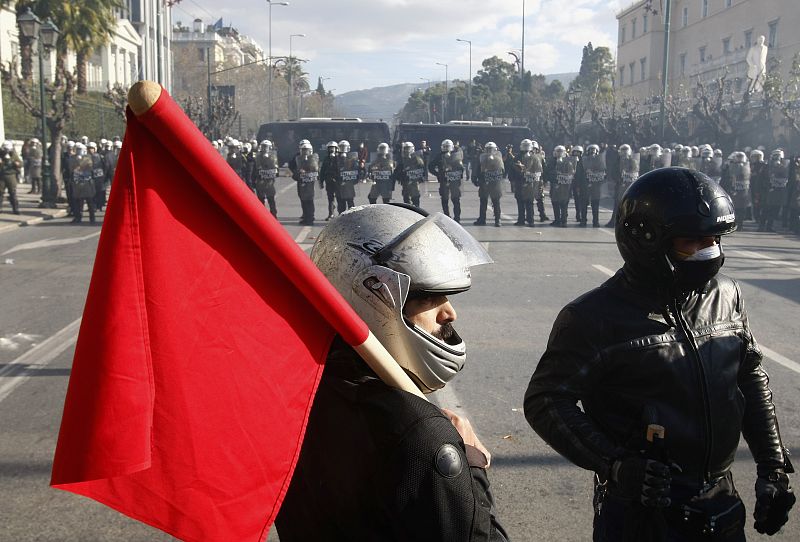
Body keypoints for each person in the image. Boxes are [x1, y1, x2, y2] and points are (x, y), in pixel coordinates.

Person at [525, 167, 795, 542]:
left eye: (713, 240)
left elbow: (748, 376)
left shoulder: (726, 295)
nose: (708, 253)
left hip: (720, 499)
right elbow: (546, 399)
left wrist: (772, 468)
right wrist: (616, 464)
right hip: (642, 510)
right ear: (646, 240)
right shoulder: (593, 316)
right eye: (692, 242)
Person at [275, 204, 509, 541]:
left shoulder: (304, 394)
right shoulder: (419, 433)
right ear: (373, 299)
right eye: (428, 297)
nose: (449, 312)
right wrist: (472, 466)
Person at [428, 139, 464, 222]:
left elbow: (461, 168)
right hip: (444, 181)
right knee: (445, 199)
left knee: (456, 199)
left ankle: (457, 218)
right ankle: (447, 217)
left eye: (447, 147)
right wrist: (438, 174)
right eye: (444, 147)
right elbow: (431, 166)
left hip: (454, 181)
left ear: (451, 147)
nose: (446, 148)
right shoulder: (439, 156)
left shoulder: (456, 155)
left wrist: (458, 175)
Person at [511, 139, 545, 226]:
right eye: (524, 146)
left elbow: (539, 170)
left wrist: (535, 177)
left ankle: (530, 220)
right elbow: (513, 169)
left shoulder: (535, 157)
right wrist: (514, 178)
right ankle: (521, 220)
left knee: (529, 202)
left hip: (530, 182)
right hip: (520, 182)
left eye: (527, 146)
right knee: (520, 201)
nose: (526, 148)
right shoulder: (517, 157)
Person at [475, 142, 505, 227]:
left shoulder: (497, 157)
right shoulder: (483, 157)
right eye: (488, 149)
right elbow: (478, 169)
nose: (489, 151)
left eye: (490, 149)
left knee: (493, 201)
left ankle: (495, 219)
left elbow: (502, 170)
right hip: (488, 182)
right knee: (486, 201)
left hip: (491, 182)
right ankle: (487, 219)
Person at [759, 149, 789, 232]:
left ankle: (769, 226)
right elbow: (762, 178)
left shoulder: (784, 166)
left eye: (778, 156)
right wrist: (765, 187)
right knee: (766, 209)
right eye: (775, 155)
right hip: (768, 191)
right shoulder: (766, 165)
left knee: (775, 209)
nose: (776, 158)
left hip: (779, 191)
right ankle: (761, 226)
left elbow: (786, 177)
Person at [545, 145, 575, 228]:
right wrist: (554, 176)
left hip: (565, 187)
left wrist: (563, 175)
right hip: (555, 185)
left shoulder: (568, 162)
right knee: (555, 203)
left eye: (561, 151)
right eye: (558, 151)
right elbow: (548, 172)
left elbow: (571, 173)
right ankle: (557, 220)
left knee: (564, 204)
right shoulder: (552, 162)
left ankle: (564, 220)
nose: (559, 153)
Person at [292, 140, 319, 225]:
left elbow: (315, 169)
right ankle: (305, 217)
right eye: (303, 150)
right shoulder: (298, 159)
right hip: (301, 183)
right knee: (303, 200)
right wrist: (298, 173)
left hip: (310, 183)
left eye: (306, 150)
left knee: (309, 201)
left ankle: (310, 218)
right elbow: (294, 170)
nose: (305, 152)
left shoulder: (313, 158)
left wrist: (308, 169)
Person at [70, 143, 96, 224]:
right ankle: (78, 217)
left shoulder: (88, 158)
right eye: (77, 149)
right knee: (78, 202)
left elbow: (90, 167)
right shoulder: (73, 158)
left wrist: (80, 164)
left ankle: (92, 217)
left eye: (80, 149)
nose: (79, 151)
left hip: (87, 182)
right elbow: (71, 169)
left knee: (89, 201)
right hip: (77, 183)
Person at [582, 144, 606, 228]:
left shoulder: (600, 161)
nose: (593, 152)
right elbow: (580, 172)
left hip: (596, 186)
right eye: (591, 150)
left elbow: (603, 172)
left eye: (594, 150)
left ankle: (595, 221)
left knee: (595, 205)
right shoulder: (584, 160)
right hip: (585, 185)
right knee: (584, 204)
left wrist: (596, 174)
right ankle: (583, 220)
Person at [253, 140, 279, 217]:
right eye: (263, 146)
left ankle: (273, 215)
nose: (265, 148)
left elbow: (276, 170)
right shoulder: (257, 157)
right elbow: (255, 169)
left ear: (270, 147)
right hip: (260, 182)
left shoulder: (273, 157)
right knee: (260, 200)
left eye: (266, 147)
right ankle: (262, 216)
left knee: (271, 199)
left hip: (269, 182)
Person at [397, 141, 425, 207]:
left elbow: (422, 168)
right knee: (406, 198)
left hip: (414, 181)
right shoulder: (401, 160)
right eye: (405, 148)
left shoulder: (417, 159)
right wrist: (400, 176)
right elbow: (397, 171)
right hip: (405, 182)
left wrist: (420, 177)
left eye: (408, 148)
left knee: (415, 196)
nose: (407, 150)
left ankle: (417, 210)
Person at [320, 141, 341, 219]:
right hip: (329, 181)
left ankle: (340, 214)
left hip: (337, 181)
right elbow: (322, 170)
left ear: (336, 149)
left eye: (333, 148)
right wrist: (321, 181)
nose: (332, 150)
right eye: (330, 148)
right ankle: (331, 213)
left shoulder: (339, 159)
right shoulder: (326, 159)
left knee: (339, 198)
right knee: (330, 198)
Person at [0, 140, 22, 215]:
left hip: (11, 175)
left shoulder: (13, 155)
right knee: (0, 193)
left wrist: (17, 164)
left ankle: (15, 208)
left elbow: (20, 163)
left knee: (13, 193)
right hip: (1, 176)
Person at [336, 140, 358, 211]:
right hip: (339, 184)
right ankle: (341, 218)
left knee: (350, 202)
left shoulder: (352, 159)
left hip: (349, 184)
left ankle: (352, 217)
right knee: (340, 202)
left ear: (348, 148)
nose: (343, 149)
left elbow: (356, 171)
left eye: (344, 147)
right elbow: (333, 170)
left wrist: (354, 180)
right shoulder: (336, 159)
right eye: (341, 147)